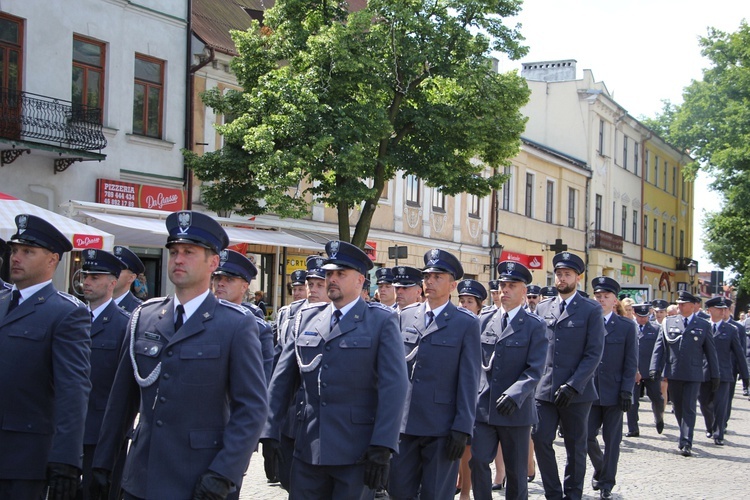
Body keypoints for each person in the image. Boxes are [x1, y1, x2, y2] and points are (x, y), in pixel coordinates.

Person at [90, 210, 268, 499]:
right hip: (141, 477)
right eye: (173, 252)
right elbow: (121, 401)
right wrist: (103, 462)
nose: (178, 259)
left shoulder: (235, 324)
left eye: (189, 252)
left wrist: (224, 472)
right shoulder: (144, 317)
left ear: (213, 262)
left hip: (199, 478)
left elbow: (251, 409)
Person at [262, 240, 408, 498]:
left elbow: (394, 388)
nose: (332, 279)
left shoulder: (381, 321)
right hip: (307, 447)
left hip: (356, 451)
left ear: (360, 280)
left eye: (341, 274)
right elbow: (282, 381)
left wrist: (383, 445)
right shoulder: (305, 319)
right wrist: (270, 431)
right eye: (329, 273)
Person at [0, 214, 92, 500]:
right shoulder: (2, 302)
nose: (16, 257)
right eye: (15, 250)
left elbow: (73, 388)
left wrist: (66, 458)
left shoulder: (66, 313)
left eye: (28, 252)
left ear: (52, 260)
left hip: (24, 458)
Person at [388, 249, 480, 500]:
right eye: (427, 276)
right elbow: (393, 372)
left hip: (442, 427)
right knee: (398, 491)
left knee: (436, 494)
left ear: (453, 284)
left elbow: (469, 380)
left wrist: (463, 428)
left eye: (438, 277)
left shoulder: (466, 323)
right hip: (404, 425)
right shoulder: (405, 317)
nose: (429, 281)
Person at [469, 261, 547, 500]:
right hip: (484, 408)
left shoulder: (534, 325)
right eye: (502, 285)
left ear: (524, 291)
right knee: (478, 461)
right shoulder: (484, 320)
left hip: (516, 410)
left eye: (512, 285)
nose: (505, 290)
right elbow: (473, 363)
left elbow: (535, 369)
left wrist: (515, 393)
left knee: (516, 471)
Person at [532, 251, 605, 500]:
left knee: (576, 446)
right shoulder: (543, 308)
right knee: (540, 438)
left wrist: (573, 385)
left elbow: (594, 353)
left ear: (578, 278)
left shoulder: (591, 309)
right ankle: (553, 493)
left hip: (577, 392)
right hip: (545, 389)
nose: (562, 279)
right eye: (559, 274)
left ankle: (573, 494)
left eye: (567, 274)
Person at [264, 254, 330, 490]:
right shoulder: (295, 318)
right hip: (294, 416)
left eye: (319, 284)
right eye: (310, 284)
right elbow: (280, 370)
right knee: (290, 481)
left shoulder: (349, 319)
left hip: (331, 426)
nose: (312, 290)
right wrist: (270, 425)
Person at [79, 250, 130, 500]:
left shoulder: (125, 324)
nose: (87, 281)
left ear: (112, 283)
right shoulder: (71, 318)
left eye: (95, 277)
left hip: (102, 436)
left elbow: (126, 390)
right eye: (86, 275)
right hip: (66, 431)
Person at [650, 290, 719, 457]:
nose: (680, 306)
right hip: (674, 372)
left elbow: (711, 352)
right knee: (678, 407)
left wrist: (715, 374)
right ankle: (684, 433)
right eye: (678, 303)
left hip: (694, 373)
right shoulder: (669, 322)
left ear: (693, 306)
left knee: (689, 407)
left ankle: (686, 441)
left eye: (683, 304)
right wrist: (654, 367)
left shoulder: (703, 325)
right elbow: (659, 347)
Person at [587, 277, 637, 500]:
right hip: (590, 391)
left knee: (612, 440)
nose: (601, 300)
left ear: (615, 300)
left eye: (605, 297)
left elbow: (630, 362)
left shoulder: (626, 326)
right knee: (586, 436)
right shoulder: (588, 322)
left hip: (615, 392)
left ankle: (607, 482)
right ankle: (600, 468)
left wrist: (627, 390)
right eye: (598, 297)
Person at [212, 248, 275, 385]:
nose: (220, 283)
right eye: (217, 278)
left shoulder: (259, 329)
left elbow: (261, 383)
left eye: (229, 279)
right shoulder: (196, 319)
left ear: (244, 287)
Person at [697, 297, 748, 446]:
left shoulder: (731, 330)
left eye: (724, 308)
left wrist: (746, 376)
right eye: (719, 308)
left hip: (724, 373)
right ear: (710, 310)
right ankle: (710, 426)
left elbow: (739, 353)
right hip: (704, 372)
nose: (722, 311)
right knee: (704, 402)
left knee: (721, 404)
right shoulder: (703, 327)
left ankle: (718, 433)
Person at [455, 278, 487, 500]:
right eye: (462, 301)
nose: (465, 305)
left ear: (479, 306)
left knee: (467, 450)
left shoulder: (483, 327)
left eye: (470, 302)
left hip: (475, 395)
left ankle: (466, 491)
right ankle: (457, 482)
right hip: (451, 393)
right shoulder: (454, 323)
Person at [626, 303, 665, 437]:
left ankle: (659, 417)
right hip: (633, 370)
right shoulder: (630, 328)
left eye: (645, 316)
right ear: (634, 314)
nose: (643, 319)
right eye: (640, 316)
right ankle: (633, 428)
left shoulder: (656, 328)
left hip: (650, 370)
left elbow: (661, 351)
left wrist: (658, 368)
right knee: (632, 401)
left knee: (657, 398)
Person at [112, 245, 146, 312]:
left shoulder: (140, 311)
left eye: (118, 270)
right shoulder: (97, 304)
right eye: (110, 269)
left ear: (131, 278)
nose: (112, 273)